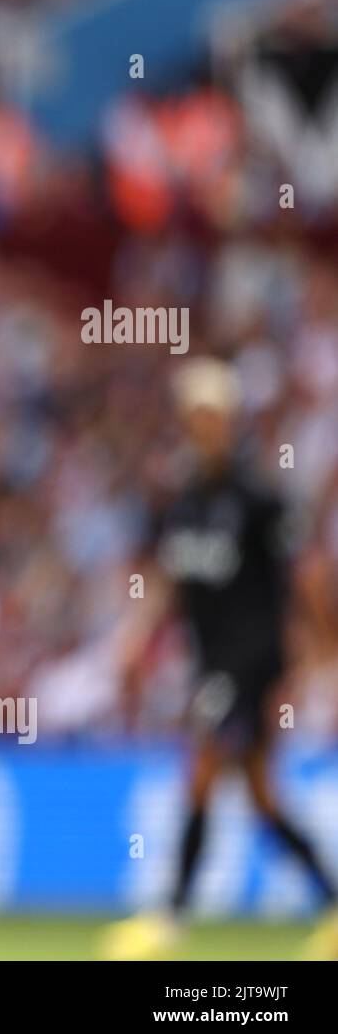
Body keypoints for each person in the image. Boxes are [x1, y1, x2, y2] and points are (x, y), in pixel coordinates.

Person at [101, 357, 338, 960]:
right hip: (210, 660)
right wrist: (136, 639)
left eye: (210, 414)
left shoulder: (258, 498)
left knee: (202, 768)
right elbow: (171, 579)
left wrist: (322, 651)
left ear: (228, 419)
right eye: (193, 414)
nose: (201, 425)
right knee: (261, 795)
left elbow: (305, 573)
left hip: (252, 657)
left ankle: (169, 917)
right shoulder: (184, 501)